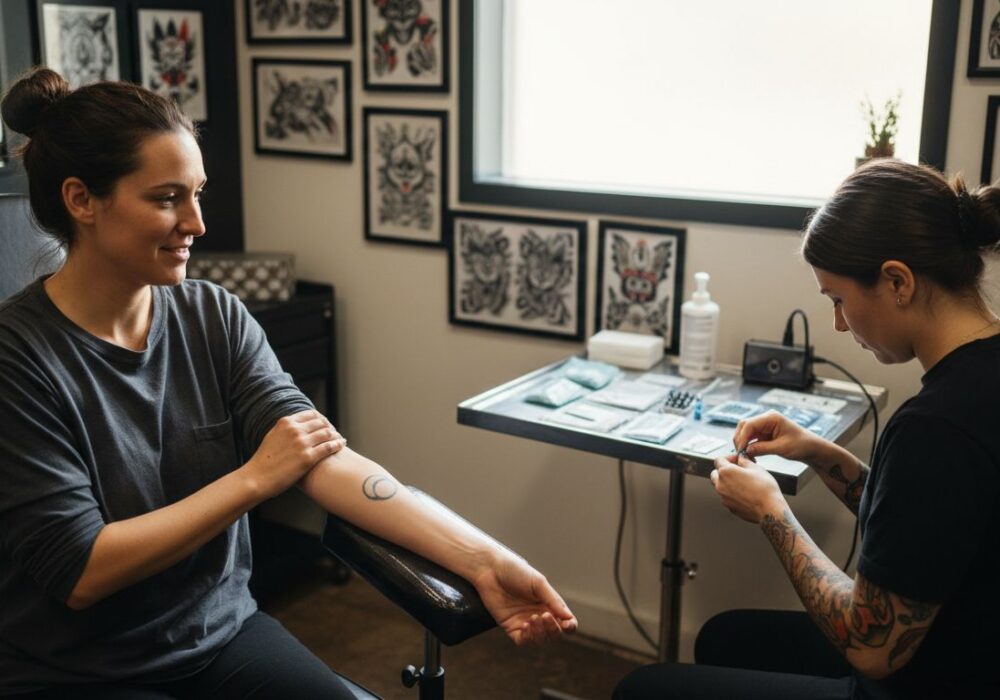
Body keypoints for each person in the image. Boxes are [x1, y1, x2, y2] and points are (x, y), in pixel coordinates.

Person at [0, 67, 577, 698]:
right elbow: (82, 568)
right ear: (81, 200)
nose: (195, 223)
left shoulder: (213, 315)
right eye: (166, 198)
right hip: (77, 670)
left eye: (198, 194)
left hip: (219, 636)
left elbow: (318, 457)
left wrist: (484, 559)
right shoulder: (19, 357)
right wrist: (253, 479)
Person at [614, 159, 1000, 699]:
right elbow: (925, 525)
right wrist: (819, 453)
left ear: (897, 281)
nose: (840, 324)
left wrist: (772, 512)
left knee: (643, 689)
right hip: (961, 645)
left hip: (926, 680)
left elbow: (872, 646)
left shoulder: (935, 428)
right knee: (726, 637)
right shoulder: (978, 381)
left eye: (838, 300)